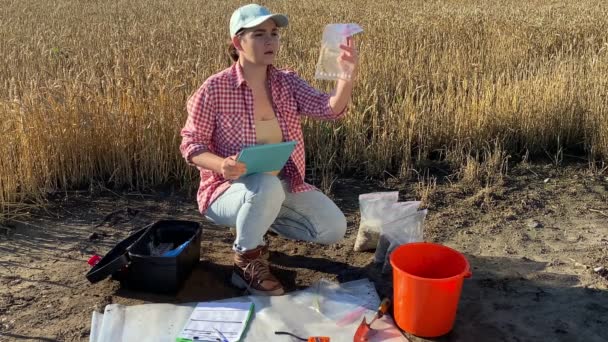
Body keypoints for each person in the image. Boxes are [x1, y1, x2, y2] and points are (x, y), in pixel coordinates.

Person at [179, 3, 359, 296]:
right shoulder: (214, 89)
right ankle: (245, 260)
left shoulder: (287, 82)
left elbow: (330, 109)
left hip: (280, 186)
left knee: (333, 228)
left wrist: (346, 76)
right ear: (238, 42)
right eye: (259, 34)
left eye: (274, 33)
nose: (270, 41)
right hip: (226, 190)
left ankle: (257, 223)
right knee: (264, 184)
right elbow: (191, 144)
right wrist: (221, 164)